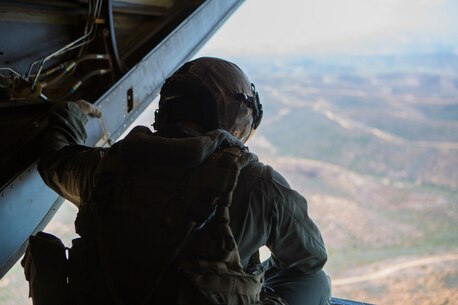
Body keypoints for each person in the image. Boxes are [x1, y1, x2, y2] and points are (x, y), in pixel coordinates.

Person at [36, 57, 331, 305]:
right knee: (316, 280)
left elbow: (53, 161)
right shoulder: (258, 184)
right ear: (236, 116)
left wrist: (69, 115)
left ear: (165, 110)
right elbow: (309, 259)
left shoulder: (104, 167)